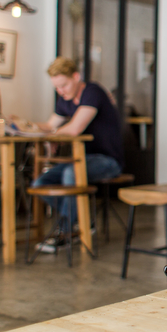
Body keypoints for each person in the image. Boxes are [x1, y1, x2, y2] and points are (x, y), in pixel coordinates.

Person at [30, 57, 124, 250]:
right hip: (82, 160)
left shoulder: (92, 92)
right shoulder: (64, 99)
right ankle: (81, 218)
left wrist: (54, 135)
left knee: (70, 174)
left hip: (109, 160)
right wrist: (24, 126)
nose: (60, 91)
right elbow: (49, 126)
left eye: (63, 85)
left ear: (76, 76)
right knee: (40, 183)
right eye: (56, 87)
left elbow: (74, 129)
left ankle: (65, 232)